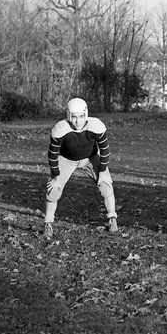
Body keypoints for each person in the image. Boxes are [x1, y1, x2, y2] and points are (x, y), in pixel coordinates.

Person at [43, 98, 118, 238]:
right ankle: (48, 223)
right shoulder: (60, 129)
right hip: (66, 159)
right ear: (68, 116)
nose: (78, 121)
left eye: (81, 117)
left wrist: (101, 172)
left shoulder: (96, 126)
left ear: (86, 115)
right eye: (74, 117)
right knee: (54, 189)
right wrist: (56, 178)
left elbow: (105, 150)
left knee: (106, 183)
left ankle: (112, 219)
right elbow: (52, 155)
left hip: (90, 158)